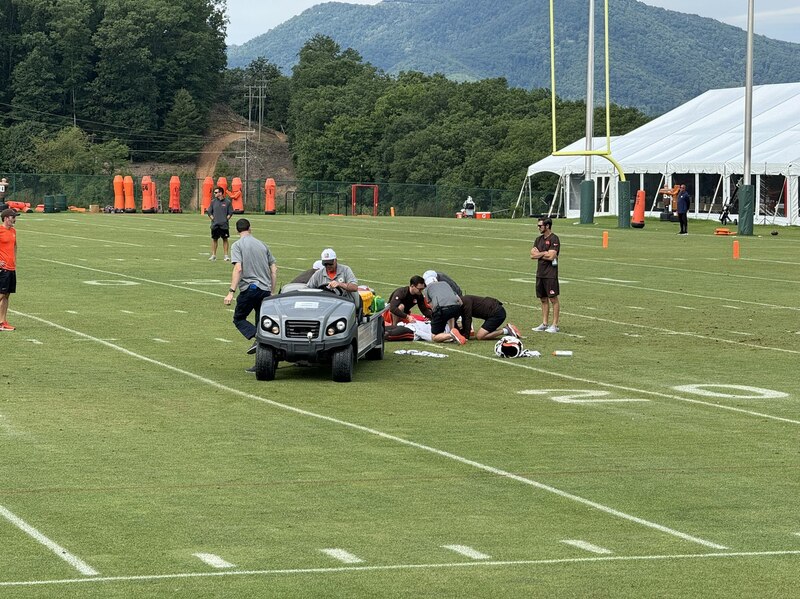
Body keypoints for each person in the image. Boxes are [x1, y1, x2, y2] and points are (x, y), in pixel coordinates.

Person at [223, 219, 278, 366]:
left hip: (250, 289)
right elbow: (274, 270)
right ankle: (262, 363)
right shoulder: (262, 245)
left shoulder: (237, 245)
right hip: (265, 290)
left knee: (239, 318)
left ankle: (259, 338)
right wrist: (271, 291)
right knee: (262, 324)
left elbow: (238, 268)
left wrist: (231, 291)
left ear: (237, 230)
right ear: (250, 228)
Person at [530, 217, 560, 333]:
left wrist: (539, 254)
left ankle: (555, 325)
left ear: (547, 226)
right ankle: (544, 323)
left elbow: (552, 256)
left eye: (540, 226)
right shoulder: (538, 239)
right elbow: (532, 255)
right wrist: (544, 253)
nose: (538, 228)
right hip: (540, 273)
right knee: (543, 299)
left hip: (550, 274)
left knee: (553, 299)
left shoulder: (554, 239)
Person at [423, 271, 466, 344]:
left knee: (434, 337)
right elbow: (459, 301)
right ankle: (453, 330)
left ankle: (451, 335)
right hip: (456, 308)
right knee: (450, 312)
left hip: (442, 309)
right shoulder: (445, 283)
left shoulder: (426, 290)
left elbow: (432, 306)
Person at [0, 208, 18, 331]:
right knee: (1, 295)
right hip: (3, 269)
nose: (15, 219)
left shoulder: (13, 231)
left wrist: (14, 260)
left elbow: (15, 246)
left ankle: (2, 322)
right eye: (13, 217)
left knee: (6, 295)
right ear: (6, 218)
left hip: (11, 268)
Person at [206, 186, 233, 261]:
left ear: (220, 193)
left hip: (224, 225)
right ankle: (213, 255)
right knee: (214, 239)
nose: (214, 194)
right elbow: (209, 212)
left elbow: (230, 212)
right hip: (215, 225)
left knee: (225, 239)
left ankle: (226, 255)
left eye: (216, 192)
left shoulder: (227, 202)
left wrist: (225, 219)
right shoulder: (213, 202)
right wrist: (213, 219)